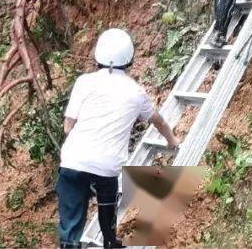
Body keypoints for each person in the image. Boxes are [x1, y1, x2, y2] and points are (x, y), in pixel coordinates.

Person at [57, 28, 179, 249]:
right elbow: (157, 120)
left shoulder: (84, 82)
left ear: (98, 54)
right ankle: (110, 240)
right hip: (107, 166)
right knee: (108, 196)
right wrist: (172, 141)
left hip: (74, 161)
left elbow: (68, 126)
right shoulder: (136, 92)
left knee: (71, 220)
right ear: (129, 59)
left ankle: (69, 244)